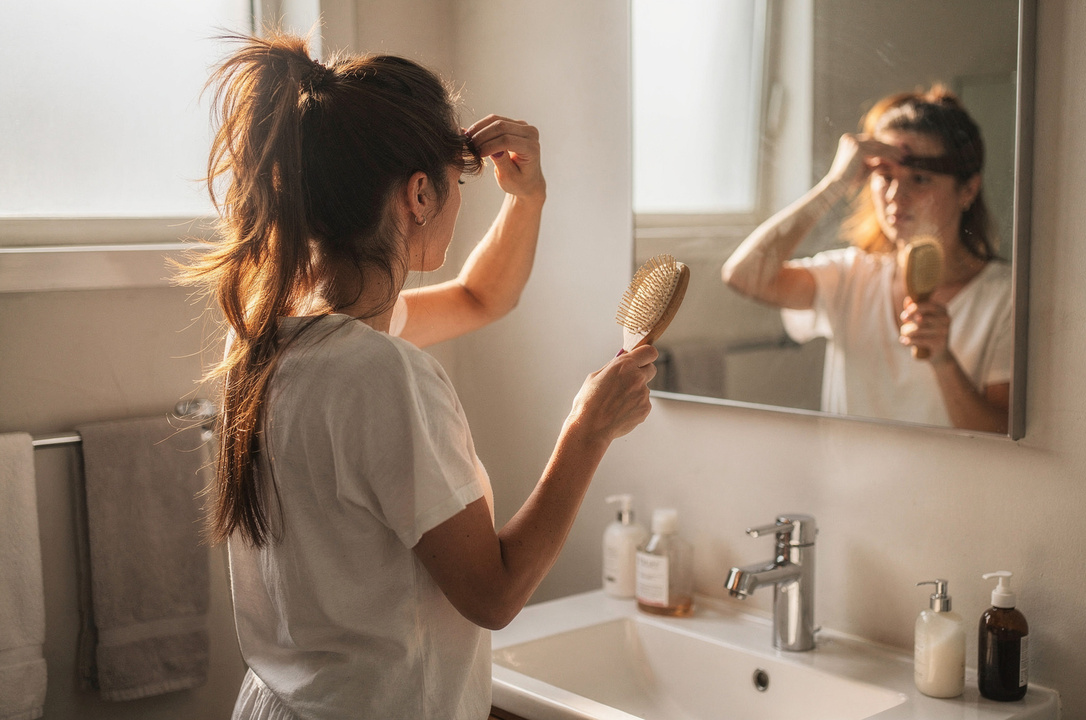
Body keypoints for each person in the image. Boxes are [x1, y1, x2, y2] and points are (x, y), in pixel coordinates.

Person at [180, 33, 657, 719]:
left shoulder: (268, 333)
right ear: (421, 195)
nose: (460, 204)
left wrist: (526, 200)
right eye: (456, 185)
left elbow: (480, 298)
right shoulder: (384, 375)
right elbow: (493, 596)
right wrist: (588, 431)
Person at [721, 86, 1010, 433]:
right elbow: (743, 275)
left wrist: (943, 362)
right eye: (885, 176)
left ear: (968, 189)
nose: (895, 196)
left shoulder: (1004, 298)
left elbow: (1001, 436)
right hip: (846, 488)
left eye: (919, 179)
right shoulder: (851, 275)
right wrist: (834, 183)